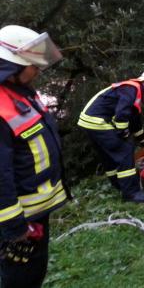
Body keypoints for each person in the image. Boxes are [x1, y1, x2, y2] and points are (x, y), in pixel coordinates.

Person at [0, 25, 69, 288]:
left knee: (34, 272)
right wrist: (14, 227)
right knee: (20, 278)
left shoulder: (21, 92)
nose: (38, 70)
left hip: (35, 210)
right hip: (19, 218)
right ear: (13, 65)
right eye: (32, 64)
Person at [77, 70, 144, 203]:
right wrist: (123, 132)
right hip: (98, 121)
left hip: (89, 122)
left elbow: (135, 124)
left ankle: (118, 184)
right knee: (125, 151)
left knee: (109, 156)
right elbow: (121, 114)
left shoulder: (133, 92)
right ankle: (132, 193)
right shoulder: (132, 89)